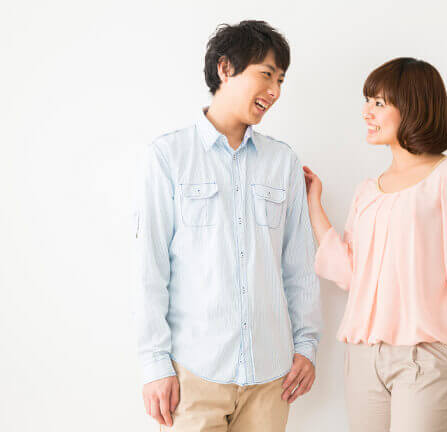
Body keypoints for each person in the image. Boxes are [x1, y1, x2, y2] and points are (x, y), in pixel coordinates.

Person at [137, 20, 321, 431]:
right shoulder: (168, 157)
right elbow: (150, 268)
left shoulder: (283, 162)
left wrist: (307, 345)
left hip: (271, 378)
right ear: (225, 68)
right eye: (266, 74)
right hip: (193, 375)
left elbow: (299, 265)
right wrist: (154, 364)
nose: (275, 91)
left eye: (281, 80)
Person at [303, 57, 447, 432]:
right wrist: (315, 204)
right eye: (367, 101)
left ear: (412, 107)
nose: (367, 112)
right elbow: (352, 275)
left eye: (379, 103)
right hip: (364, 359)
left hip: (427, 358)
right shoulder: (367, 191)